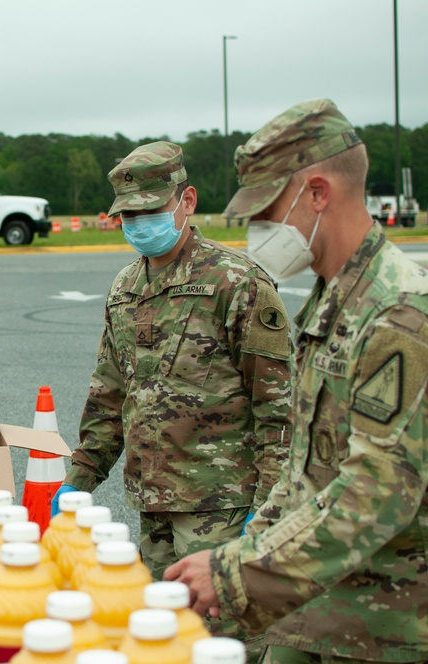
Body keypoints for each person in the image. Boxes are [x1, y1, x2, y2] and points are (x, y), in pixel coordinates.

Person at [167, 99, 428, 663]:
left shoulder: (397, 314)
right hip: (309, 608)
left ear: (317, 193)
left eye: (267, 211)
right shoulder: (330, 300)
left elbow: (375, 496)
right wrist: (238, 551)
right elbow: (302, 471)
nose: (258, 231)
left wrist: (235, 574)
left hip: (381, 628)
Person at [53, 141, 293, 645]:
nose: (139, 223)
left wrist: (269, 505)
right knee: (166, 638)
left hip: (222, 507)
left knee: (225, 641)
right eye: (128, 215)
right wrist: (79, 479)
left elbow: (280, 406)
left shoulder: (236, 282)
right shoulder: (125, 288)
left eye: (151, 210)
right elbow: (110, 395)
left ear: (187, 201)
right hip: (152, 502)